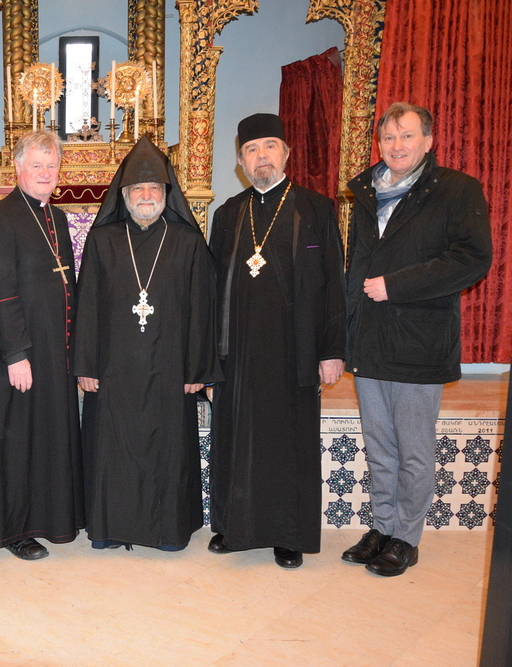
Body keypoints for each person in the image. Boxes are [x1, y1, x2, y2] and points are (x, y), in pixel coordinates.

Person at [342, 102, 491, 576]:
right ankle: (382, 526)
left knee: (413, 448)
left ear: (428, 140)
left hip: (419, 340)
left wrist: (396, 285)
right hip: (370, 340)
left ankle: (406, 537)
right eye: (388, 138)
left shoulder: (455, 190)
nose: (397, 146)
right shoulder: (367, 192)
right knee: (379, 445)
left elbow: (472, 259)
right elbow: (356, 267)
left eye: (407, 136)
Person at [208, 113, 346, 569]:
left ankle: (287, 534)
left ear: (286, 153)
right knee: (235, 439)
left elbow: (333, 286)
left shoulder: (316, 208)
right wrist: (209, 360)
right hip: (239, 353)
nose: (261, 156)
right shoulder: (228, 214)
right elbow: (210, 294)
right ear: (240, 161)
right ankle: (232, 527)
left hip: (295, 351)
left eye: (270, 146)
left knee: (288, 444)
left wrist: (332, 350)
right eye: (251, 149)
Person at [72, 135, 222, 551]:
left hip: (171, 367)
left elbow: (201, 309)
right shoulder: (103, 241)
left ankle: (167, 530)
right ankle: (108, 527)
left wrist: (197, 369)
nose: (146, 195)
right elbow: (87, 307)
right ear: (123, 195)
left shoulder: (188, 242)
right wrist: (85, 365)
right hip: (112, 369)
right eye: (137, 189)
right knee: (112, 448)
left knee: (167, 449)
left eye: (154, 189)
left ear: (166, 194)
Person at [0, 131, 84, 560]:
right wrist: (16, 354)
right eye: (36, 165)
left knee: (47, 438)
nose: (44, 173)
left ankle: (49, 518)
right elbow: (0, 292)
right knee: (17, 441)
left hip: (53, 351)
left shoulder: (55, 218)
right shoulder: (0, 218)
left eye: (51, 166)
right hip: (20, 354)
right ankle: (14, 528)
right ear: (17, 169)